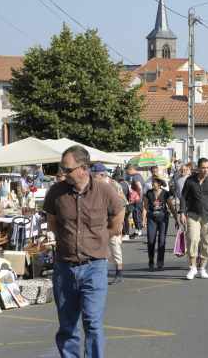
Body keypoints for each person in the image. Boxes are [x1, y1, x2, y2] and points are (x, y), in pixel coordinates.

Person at [44, 145, 125, 358]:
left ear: (83, 168)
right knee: (67, 326)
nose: (63, 173)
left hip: (94, 266)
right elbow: (52, 222)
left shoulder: (104, 190)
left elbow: (119, 213)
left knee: (92, 323)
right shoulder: (56, 192)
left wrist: (105, 236)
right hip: (65, 268)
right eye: (62, 168)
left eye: (67, 169)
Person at [179, 158, 208, 280]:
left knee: (207, 243)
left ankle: (202, 268)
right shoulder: (190, 180)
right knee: (193, 240)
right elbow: (183, 197)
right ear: (198, 168)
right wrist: (182, 212)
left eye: (207, 168)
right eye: (203, 167)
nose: (205, 170)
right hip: (193, 215)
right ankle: (192, 267)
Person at [91, 163, 127, 285]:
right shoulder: (93, 185)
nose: (92, 178)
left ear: (101, 175)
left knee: (115, 245)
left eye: (94, 176)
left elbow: (123, 203)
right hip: (99, 221)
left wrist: (119, 223)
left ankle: (119, 272)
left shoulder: (113, 185)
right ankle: (101, 273)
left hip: (112, 220)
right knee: (99, 246)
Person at [144, 176, 176, 271]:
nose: (153, 184)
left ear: (160, 184)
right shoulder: (148, 193)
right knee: (151, 240)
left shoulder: (165, 194)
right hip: (151, 219)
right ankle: (151, 261)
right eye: (153, 183)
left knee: (162, 240)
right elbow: (145, 206)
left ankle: (160, 261)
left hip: (163, 219)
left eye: (155, 183)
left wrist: (176, 218)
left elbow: (170, 206)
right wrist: (143, 219)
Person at [125, 165, 145, 238]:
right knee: (136, 214)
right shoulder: (139, 176)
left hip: (137, 199)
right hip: (139, 199)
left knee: (136, 214)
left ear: (130, 169)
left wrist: (139, 196)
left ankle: (138, 231)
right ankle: (138, 230)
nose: (127, 173)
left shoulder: (135, 176)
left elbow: (139, 187)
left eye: (127, 171)